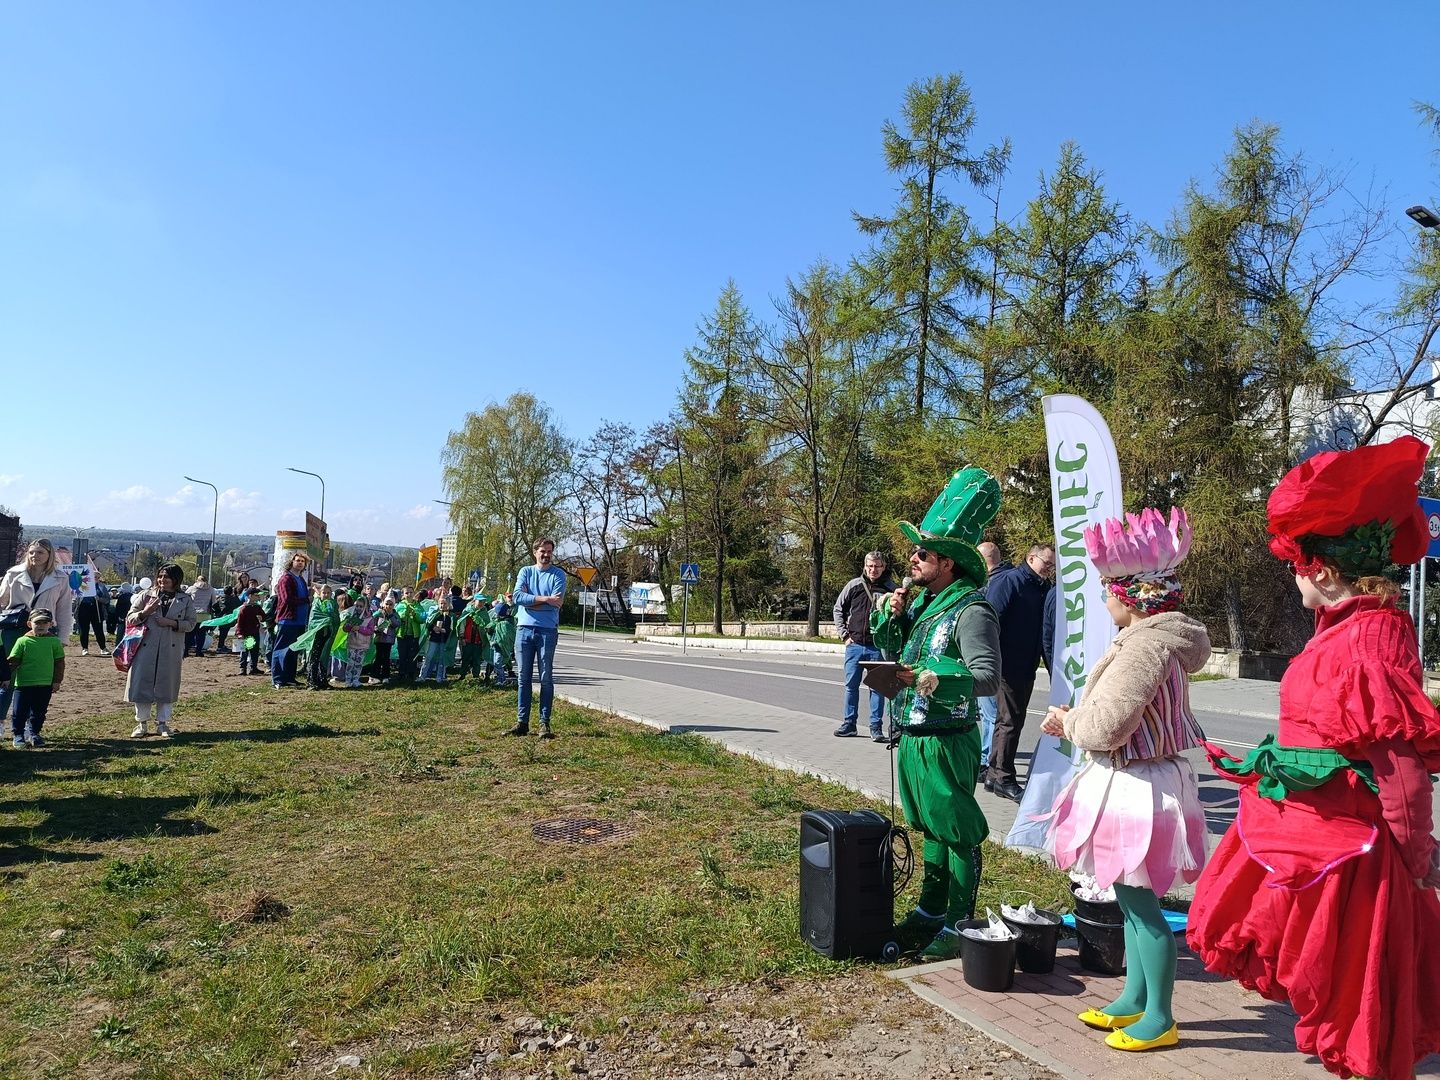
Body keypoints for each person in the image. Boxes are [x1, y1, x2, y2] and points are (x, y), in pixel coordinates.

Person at [1186, 435, 1440, 1080]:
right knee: (1339, 991)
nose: (1292, 576)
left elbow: (1399, 768)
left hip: (1357, 858)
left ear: (1322, 571)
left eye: (1296, 567)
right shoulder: (1351, 632)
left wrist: (1417, 857)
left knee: (1361, 1003)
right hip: (1321, 847)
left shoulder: (1365, 642)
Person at [1041, 507, 1210, 1052]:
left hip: (1138, 787)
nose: (1104, 599)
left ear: (1131, 595)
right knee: (1128, 898)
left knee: (1142, 905)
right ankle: (1134, 997)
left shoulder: (1143, 647)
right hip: (1141, 780)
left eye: (1108, 589)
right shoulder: (1151, 642)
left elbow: (1108, 725)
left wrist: (1069, 722)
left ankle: (1159, 1015)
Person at [871, 467, 1002, 961]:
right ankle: (929, 910)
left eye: (922, 553)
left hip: (948, 738)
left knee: (956, 828)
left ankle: (958, 923)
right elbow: (893, 651)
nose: (912, 559)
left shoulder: (971, 609)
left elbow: (988, 677)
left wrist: (929, 680)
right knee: (928, 825)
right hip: (913, 734)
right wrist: (892, 618)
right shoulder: (925, 605)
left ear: (947, 562)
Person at [984, 542, 1056, 801]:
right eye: (1046, 563)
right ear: (1030, 558)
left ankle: (994, 775)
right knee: (1010, 721)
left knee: (1008, 720)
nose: (1049, 569)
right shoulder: (1010, 581)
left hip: (1027, 663)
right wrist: (992, 659)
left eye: (1052, 566)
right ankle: (1004, 777)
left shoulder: (1043, 588)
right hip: (1007, 664)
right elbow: (990, 620)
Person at [0, 539, 75, 731]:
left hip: (44, 633)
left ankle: (29, 726)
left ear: (49, 555)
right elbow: (1, 602)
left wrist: (62, 639)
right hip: (14, 630)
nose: (35, 556)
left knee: (37, 679)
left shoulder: (60, 578)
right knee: (7, 676)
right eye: (32, 552)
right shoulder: (14, 574)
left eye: (40, 552)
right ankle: (0, 721)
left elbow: (64, 610)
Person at [126, 564, 197, 738]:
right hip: (145, 648)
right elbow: (129, 618)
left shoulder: (185, 600)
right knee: (142, 685)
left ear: (176, 580)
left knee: (167, 685)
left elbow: (191, 624)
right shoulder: (145, 595)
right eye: (160, 576)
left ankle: (163, 723)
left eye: (167, 577)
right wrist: (145, 612)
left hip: (170, 648)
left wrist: (172, 623)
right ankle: (141, 724)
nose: (162, 580)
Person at [832, 551, 897, 741]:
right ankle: (849, 724)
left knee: (878, 688)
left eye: (877, 566)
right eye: (870, 566)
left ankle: (876, 728)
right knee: (851, 686)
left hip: (878, 647)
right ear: (864, 566)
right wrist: (844, 635)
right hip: (855, 645)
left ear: (883, 567)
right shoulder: (854, 585)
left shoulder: (891, 588)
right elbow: (838, 609)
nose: (873, 570)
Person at [508, 538, 566, 739]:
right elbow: (517, 598)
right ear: (535, 552)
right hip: (524, 629)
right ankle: (522, 722)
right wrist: (544, 599)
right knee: (523, 678)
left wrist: (530, 600)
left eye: (549, 551)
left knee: (546, 678)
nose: (546, 555)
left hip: (547, 631)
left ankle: (544, 723)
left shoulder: (558, 574)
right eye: (543, 551)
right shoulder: (526, 572)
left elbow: (557, 602)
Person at [5, 608, 65, 748]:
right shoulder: (22, 641)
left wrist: (57, 681)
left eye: (45, 622)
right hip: (24, 684)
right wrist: (5, 676)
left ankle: (34, 733)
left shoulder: (54, 642)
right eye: (37, 622)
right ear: (29, 623)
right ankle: (18, 735)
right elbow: (13, 661)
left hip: (45, 684)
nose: (41, 625)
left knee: (39, 712)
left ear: (51, 624)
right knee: (19, 711)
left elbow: (59, 663)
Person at [975, 541, 1009, 764]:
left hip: (990, 655)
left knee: (989, 713)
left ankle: (987, 758)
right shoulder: (1009, 579)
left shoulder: (990, 586)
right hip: (1007, 656)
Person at [269, 553, 311, 688]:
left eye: (302, 561)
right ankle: (278, 679)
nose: (300, 563)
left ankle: (289, 678)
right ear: (292, 562)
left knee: (293, 650)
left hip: (299, 620)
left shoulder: (301, 579)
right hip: (287, 619)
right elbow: (286, 599)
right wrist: (306, 600)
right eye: (297, 560)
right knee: (281, 649)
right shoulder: (286, 579)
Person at [455, 594, 491, 682]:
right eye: (480, 601)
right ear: (474, 601)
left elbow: (487, 625)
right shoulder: (467, 611)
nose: (481, 603)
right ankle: (462, 675)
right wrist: (462, 637)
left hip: (478, 641)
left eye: (483, 602)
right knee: (465, 658)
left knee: (477, 660)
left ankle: (476, 676)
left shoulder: (484, 613)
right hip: (467, 640)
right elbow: (462, 624)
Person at [419, 599, 453, 684]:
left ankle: (439, 676)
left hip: (443, 640)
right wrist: (433, 628)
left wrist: (445, 630)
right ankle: (422, 676)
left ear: (448, 605)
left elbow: (451, 629)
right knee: (428, 657)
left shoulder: (449, 617)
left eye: (445, 603)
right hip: (434, 639)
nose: (443, 605)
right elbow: (428, 624)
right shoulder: (435, 614)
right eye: (441, 603)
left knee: (442, 659)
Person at [394, 586, 424, 683]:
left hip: (413, 635)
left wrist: (415, 614)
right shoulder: (399, 605)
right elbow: (396, 617)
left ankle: (411, 674)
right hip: (402, 634)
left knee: (412, 655)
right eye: (407, 593)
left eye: (411, 592)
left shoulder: (418, 605)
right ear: (403, 594)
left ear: (413, 593)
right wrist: (404, 614)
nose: (409, 594)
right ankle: (402, 673)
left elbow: (422, 619)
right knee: (402, 655)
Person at [369, 596, 400, 684]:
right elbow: (372, 622)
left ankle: (385, 676)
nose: (388, 606)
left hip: (389, 639)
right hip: (379, 638)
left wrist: (390, 616)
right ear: (383, 604)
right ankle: (374, 676)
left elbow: (397, 623)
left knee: (386, 658)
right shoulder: (378, 613)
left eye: (391, 604)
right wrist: (376, 629)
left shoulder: (394, 614)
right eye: (387, 604)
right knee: (378, 657)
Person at [184, 575, 217, 657]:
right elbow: (214, 602)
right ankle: (198, 651)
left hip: (193, 613)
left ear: (197, 580)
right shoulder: (211, 589)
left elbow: (185, 597)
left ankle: (186, 651)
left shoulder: (192, 588)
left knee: (189, 634)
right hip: (205, 615)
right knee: (201, 634)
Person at [234, 590, 263, 676]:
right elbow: (240, 622)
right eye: (256, 595)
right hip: (246, 633)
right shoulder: (244, 608)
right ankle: (243, 668)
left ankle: (253, 667)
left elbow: (264, 616)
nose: (258, 597)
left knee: (255, 651)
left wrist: (261, 617)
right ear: (250, 596)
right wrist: (239, 633)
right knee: (245, 651)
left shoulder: (257, 607)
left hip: (255, 632)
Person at [490, 595, 516, 688]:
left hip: (502, 646)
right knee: (496, 662)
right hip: (496, 645)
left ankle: (501, 679)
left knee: (497, 662)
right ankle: (500, 678)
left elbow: (507, 635)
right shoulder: (497, 621)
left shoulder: (507, 623)